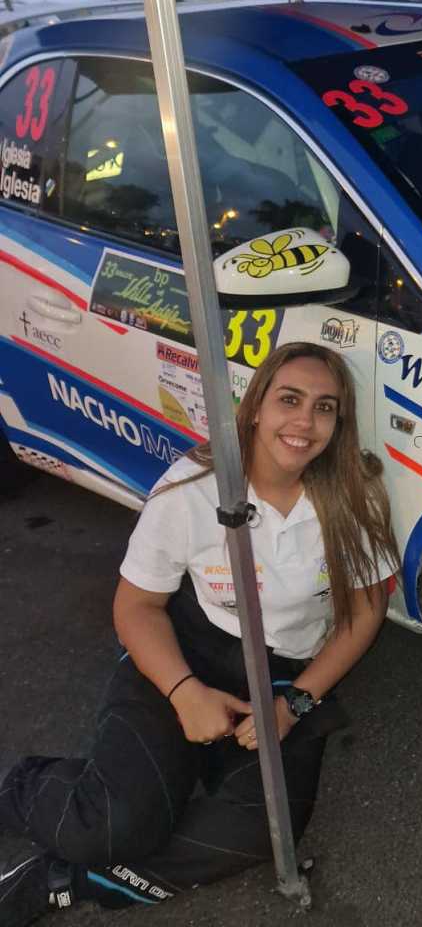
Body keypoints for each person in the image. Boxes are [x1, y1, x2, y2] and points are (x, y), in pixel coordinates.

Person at [0, 342, 400, 924]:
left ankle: (69, 879)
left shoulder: (354, 493)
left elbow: (365, 612)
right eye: (290, 400)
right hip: (187, 650)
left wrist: (294, 704)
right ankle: (24, 789)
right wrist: (184, 693)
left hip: (285, 672)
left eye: (324, 408)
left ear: (339, 424)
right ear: (256, 407)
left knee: (266, 833)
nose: (305, 422)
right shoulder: (192, 486)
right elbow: (136, 607)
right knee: (114, 824)